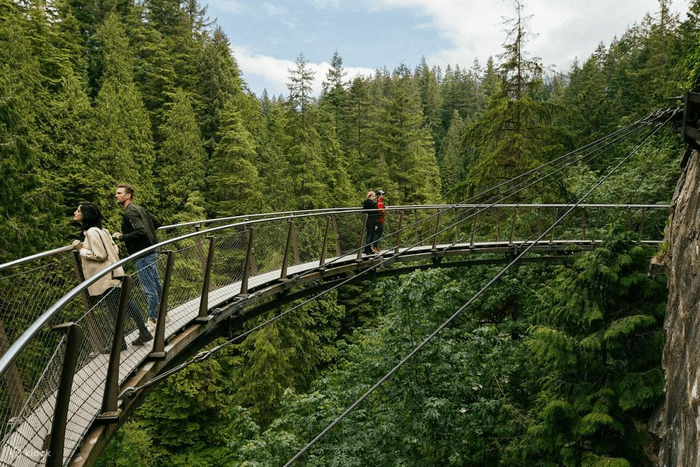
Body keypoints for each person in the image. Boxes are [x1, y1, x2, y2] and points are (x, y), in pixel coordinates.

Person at [72, 202, 153, 351]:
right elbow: (114, 249)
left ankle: (122, 343)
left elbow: (100, 255)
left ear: (86, 215)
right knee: (124, 304)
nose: (75, 213)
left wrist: (81, 250)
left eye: (78, 211)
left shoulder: (91, 233)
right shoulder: (103, 230)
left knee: (116, 309)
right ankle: (141, 333)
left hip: (106, 277)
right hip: (114, 272)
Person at [112, 184, 164, 333]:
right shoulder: (141, 209)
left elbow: (140, 231)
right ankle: (164, 312)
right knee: (156, 283)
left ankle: (153, 320)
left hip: (143, 255)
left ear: (127, 196)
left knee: (149, 289)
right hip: (151, 251)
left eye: (119, 193)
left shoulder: (129, 214)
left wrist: (122, 237)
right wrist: (149, 236)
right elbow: (157, 223)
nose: (116, 195)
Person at [362, 191, 377, 255]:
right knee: (370, 235)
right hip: (371, 220)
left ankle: (367, 249)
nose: (374, 198)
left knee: (369, 234)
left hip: (368, 220)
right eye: (373, 196)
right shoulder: (372, 204)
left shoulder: (367, 203)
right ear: (369, 197)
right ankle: (368, 249)